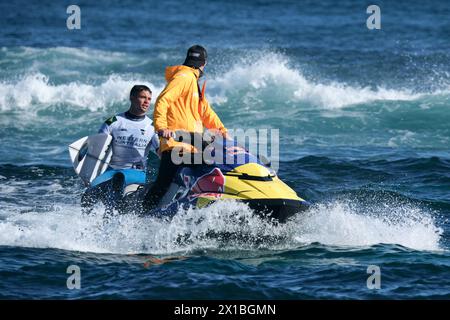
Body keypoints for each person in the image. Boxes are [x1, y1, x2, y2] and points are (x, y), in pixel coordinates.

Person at [142, 45, 228, 210]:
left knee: (214, 165)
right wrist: (162, 127)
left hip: (190, 145)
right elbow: (163, 99)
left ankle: (199, 203)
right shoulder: (184, 77)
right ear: (204, 64)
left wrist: (223, 132)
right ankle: (142, 216)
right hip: (176, 144)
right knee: (163, 185)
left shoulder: (193, 83)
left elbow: (206, 112)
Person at [82, 85, 159, 214]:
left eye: (149, 99)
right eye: (142, 97)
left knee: (119, 178)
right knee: (88, 193)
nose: (146, 102)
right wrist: (88, 174)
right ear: (132, 98)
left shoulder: (152, 126)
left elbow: (161, 152)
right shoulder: (114, 122)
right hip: (112, 170)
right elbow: (97, 150)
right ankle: (86, 225)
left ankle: (114, 213)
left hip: (136, 173)